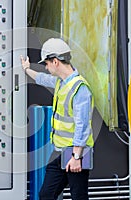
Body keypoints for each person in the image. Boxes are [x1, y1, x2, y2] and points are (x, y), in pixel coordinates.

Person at [21, 38, 94, 200]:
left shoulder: (80, 88)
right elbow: (42, 78)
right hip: (59, 152)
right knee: (46, 194)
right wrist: (27, 70)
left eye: (46, 63)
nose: (46, 67)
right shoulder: (61, 82)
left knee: (78, 197)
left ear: (55, 61)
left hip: (76, 153)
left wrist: (76, 157)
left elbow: (82, 126)